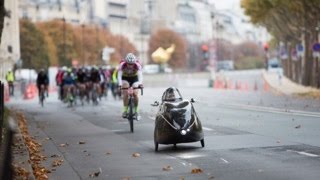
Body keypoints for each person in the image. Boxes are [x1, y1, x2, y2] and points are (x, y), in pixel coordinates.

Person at [117, 53, 143, 119]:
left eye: (132, 64)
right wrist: (120, 84)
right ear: (126, 62)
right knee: (125, 92)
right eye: (129, 64)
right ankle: (125, 110)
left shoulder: (137, 65)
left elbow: (140, 76)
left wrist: (140, 83)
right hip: (125, 78)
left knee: (135, 94)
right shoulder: (122, 65)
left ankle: (136, 111)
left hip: (134, 78)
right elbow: (119, 76)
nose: (130, 66)